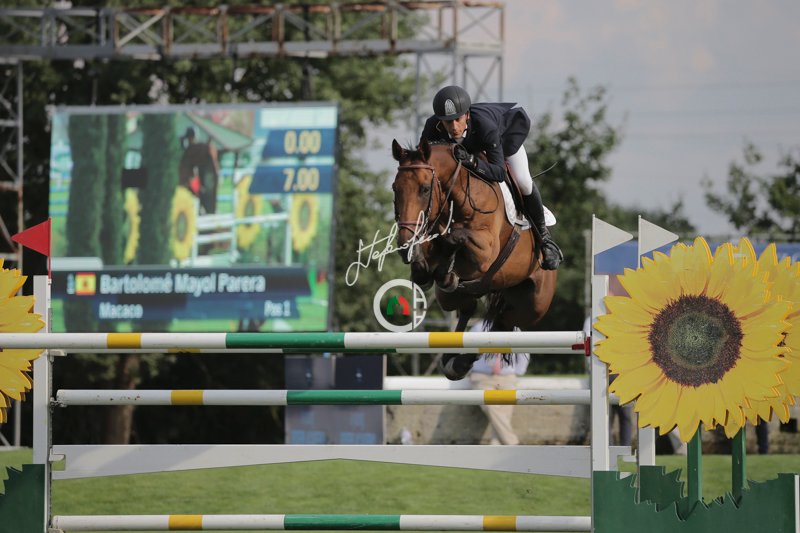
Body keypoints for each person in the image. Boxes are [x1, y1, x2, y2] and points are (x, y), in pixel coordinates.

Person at [419, 85, 563, 270]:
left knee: (524, 182)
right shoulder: (432, 126)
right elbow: (421, 162)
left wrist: (472, 161)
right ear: (440, 121)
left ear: (467, 115)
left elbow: (499, 173)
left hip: (503, 139)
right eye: (448, 122)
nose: (454, 127)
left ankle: (545, 239)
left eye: (457, 119)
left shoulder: (485, 126)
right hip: (470, 148)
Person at [468, 321, 529, 445]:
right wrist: (469, 370)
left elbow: (523, 352)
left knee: (505, 410)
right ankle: (512, 443)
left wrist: (516, 371)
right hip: (482, 376)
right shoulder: (478, 328)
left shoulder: (515, 329)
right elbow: (467, 351)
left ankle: (495, 444)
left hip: (506, 376)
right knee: (490, 406)